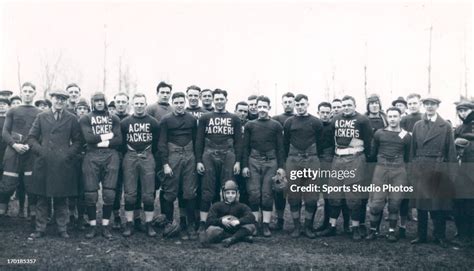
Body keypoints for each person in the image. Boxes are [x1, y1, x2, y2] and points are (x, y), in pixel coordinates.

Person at [27, 90, 83, 239]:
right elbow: (31, 138)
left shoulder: (72, 118)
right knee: (42, 198)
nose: (59, 102)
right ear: (51, 99)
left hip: (63, 164)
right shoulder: (41, 117)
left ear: (66, 102)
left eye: (63, 99)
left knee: (62, 198)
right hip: (44, 162)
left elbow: (78, 141)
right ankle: (40, 229)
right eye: (57, 98)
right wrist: (41, 151)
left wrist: (68, 154)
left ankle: (62, 228)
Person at [319, 95, 373, 241]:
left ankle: (355, 227)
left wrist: (364, 160)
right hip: (338, 158)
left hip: (355, 158)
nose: (346, 107)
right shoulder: (336, 119)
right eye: (344, 104)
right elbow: (330, 137)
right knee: (334, 193)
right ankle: (332, 226)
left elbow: (368, 142)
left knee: (353, 196)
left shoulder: (362, 120)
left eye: (349, 104)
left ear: (355, 105)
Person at [410, 95, 457, 248]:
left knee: (439, 204)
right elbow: (412, 150)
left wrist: (452, 173)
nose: (429, 107)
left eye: (433, 104)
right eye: (427, 104)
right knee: (421, 204)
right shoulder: (417, 125)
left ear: (437, 106)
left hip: (438, 167)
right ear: (423, 106)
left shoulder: (445, 126)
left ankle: (440, 235)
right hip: (421, 166)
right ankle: (421, 235)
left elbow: (451, 150)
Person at [195, 89, 242, 232]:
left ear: (226, 100)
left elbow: (238, 142)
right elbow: (199, 140)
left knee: (228, 187)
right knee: (207, 189)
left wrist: (238, 161)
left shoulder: (234, 118)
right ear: (213, 100)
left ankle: (227, 222)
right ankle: (203, 223)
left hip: (228, 153)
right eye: (217, 99)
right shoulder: (205, 117)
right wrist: (199, 160)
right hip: (209, 153)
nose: (219, 102)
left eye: (222, 99)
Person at [79, 92, 122, 239]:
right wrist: (108, 136)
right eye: (96, 101)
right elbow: (88, 138)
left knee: (109, 194)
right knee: (90, 194)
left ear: (105, 101)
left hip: (111, 155)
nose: (99, 103)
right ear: (92, 102)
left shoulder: (113, 118)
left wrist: (100, 141)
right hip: (91, 155)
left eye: (101, 100)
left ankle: (105, 226)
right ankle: (92, 226)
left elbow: (119, 140)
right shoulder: (86, 118)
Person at [366, 107, 411, 242]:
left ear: (400, 117)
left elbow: (408, 157)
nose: (392, 119)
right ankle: (373, 230)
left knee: (395, 203)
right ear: (387, 118)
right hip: (381, 169)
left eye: (395, 116)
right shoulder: (379, 133)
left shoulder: (406, 136)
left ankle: (392, 231)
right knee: (376, 203)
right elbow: (373, 153)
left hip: (398, 171)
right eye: (390, 116)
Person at [242, 96, 285, 237]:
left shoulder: (276, 125)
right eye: (259, 107)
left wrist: (281, 166)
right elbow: (245, 148)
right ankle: (255, 224)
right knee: (254, 194)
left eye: (264, 107)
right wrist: (245, 166)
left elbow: (280, 148)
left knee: (267, 195)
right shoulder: (250, 125)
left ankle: (266, 225)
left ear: (269, 108)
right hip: (253, 160)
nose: (261, 110)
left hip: (271, 161)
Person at [158, 92, 198, 240]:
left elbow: (196, 140)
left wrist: (195, 159)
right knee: (170, 191)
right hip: (172, 155)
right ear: (172, 103)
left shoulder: (192, 119)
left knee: (189, 191)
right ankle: (169, 223)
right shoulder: (166, 120)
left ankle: (189, 225)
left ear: (185, 102)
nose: (180, 105)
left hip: (189, 155)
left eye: (182, 102)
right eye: (177, 102)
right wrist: (165, 164)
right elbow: (161, 143)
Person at [0, 82, 41, 219]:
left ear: (35, 93)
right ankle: (2, 212)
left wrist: (31, 145)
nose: (28, 94)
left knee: (32, 185)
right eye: (25, 91)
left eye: (30, 91)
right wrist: (14, 145)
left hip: (30, 152)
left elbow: (41, 134)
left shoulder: (40, 113)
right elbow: (5, 132)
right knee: (7, 184)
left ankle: (33, 213)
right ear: (21, 92)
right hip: (13, 150)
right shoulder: (12, 110)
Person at [121, 93, 159, 237]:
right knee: (130, 193)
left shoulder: (153, 122)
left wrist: (148, 154)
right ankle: (129, 223)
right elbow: (122, 142)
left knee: (148, 194)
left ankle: (148, 224)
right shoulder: (125, 122)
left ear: (145, 104)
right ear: (132, 104)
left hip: (147, 156)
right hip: (130, 157)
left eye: (141, 103)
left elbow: (156, 143)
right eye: (136, 103)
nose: (139, 106)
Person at [199, 180, 256, 248]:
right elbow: (209, 220)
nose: (230, 195)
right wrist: (221, 221)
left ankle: (232, 239)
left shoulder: (241, 206)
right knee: (211, 230)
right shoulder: (216, 205)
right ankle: (240, 238)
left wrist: (238, 221)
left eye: (233, 193)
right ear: (224, 194)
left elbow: (251, 216)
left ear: (236, 194)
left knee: (251, 226)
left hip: (237, 228)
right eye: (228, 193)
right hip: (222, 230)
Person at [270, 92, 295, 231]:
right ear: (282, 103)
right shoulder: (276, 119)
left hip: (296, 157)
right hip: (280, 157)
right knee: (279, 190)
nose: (288, 104)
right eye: (285, 102)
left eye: (290, 101)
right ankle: (280, 219)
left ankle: (297, 221)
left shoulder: (298, 119)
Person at [452, 100, 474, 247]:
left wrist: (468, 145)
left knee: (470, 204)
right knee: (459, 202)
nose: (462, 113)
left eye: (465, 110)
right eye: (460, 111)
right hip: (460, 170)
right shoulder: (459, 128)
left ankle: (469, 234)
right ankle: (461, 231)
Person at [312, 102, 335, 233]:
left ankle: (328, 224)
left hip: (329, 162)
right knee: (313, 194)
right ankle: (309, 223)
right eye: (322, 112)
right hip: (314, 160)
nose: (325, 115)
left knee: (328, 195)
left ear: (331, 113)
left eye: (327, 112)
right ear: (318, 112)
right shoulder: (314, 125)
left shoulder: (333, 127)